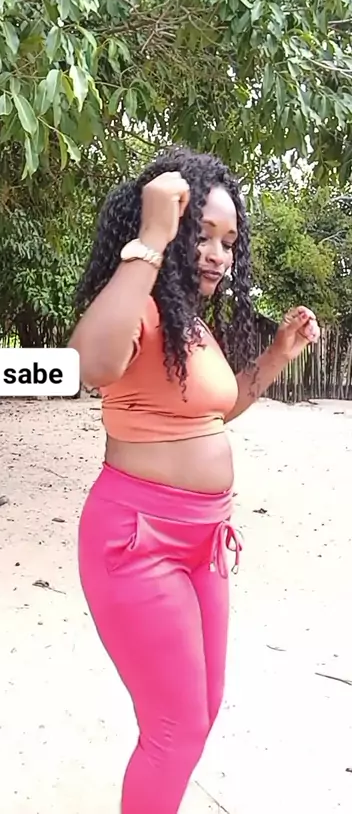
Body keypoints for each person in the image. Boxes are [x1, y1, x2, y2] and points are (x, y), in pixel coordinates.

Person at [68, 147, 319, 814]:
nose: (216, 255)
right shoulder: (139, 305)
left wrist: (277, 355)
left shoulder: (191, 326)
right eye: (200, 234)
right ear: (166, 225)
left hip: (204, 545)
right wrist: (150, 239)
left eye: (228, 242)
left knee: (199, 714)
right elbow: (89, 363)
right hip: (138, 543)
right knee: (175, 730)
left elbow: (214, 411)